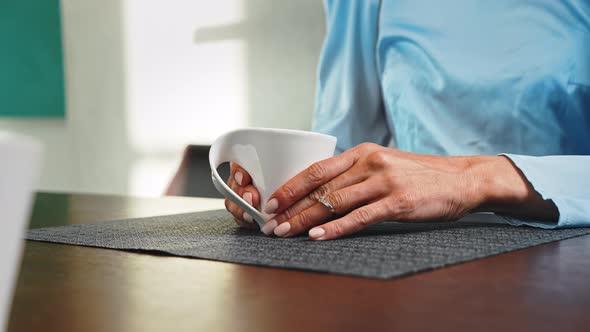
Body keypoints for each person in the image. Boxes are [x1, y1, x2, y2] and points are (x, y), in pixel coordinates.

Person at [225, 0, 590, 240]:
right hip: (410, 250)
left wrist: (473, 180)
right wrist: (283, 191)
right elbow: (341, 145)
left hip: (565, 256)